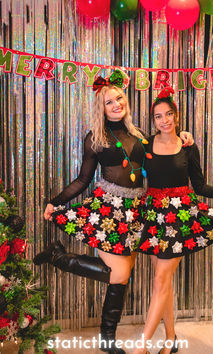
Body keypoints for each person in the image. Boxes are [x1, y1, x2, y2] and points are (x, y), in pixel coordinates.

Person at [33, 72, 193, 354]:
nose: (116, 104)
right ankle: (58, 256)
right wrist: (54, 202)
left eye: (119, 97)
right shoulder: (95, 137)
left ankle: (107, 339)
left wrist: (181, 136)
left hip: (136, 214)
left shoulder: (141, 135)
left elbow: (165, 151)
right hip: (107, 212)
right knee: (118, 274)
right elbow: (82, 180)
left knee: (125, 273)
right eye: (109, 102)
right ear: (102, 107)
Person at [133, 87, 213, 354]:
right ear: (152, 120)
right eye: (158, 116)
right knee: (162, 281)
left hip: (180, 218)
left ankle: (141, 346)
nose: (164, 120)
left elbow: (199, 186)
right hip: (154, 217)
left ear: (176, 116)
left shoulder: (188, 146)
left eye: (168, 114)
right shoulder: (144, 145)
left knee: (160, 281)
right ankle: (170, 339)